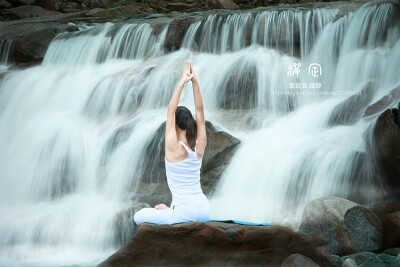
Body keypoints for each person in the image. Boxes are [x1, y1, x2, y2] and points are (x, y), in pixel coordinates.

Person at [133, 61, 210, 225]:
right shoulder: (199, 143)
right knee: (170, 210)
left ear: (174, 125)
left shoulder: (173, 147)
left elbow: (170, 111)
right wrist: (195, 81)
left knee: (138, 216)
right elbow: (200, 111)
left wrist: (182, 82)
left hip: (185, 213)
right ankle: (170, 211)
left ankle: (170, 212)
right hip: (204, 209)